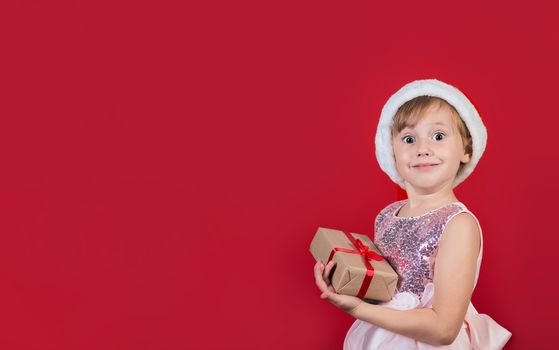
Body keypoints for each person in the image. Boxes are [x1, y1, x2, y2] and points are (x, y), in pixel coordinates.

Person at [313, 79, 512, 349]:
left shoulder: (458, 224)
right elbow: (384, 290)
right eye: (408, 138)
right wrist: (345, 281)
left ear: (466, 149)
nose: (422, 148)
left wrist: (357, 310)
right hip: (379, 337)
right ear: (391, 151)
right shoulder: (386, 216)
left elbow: (444, 329)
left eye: (438, 136)